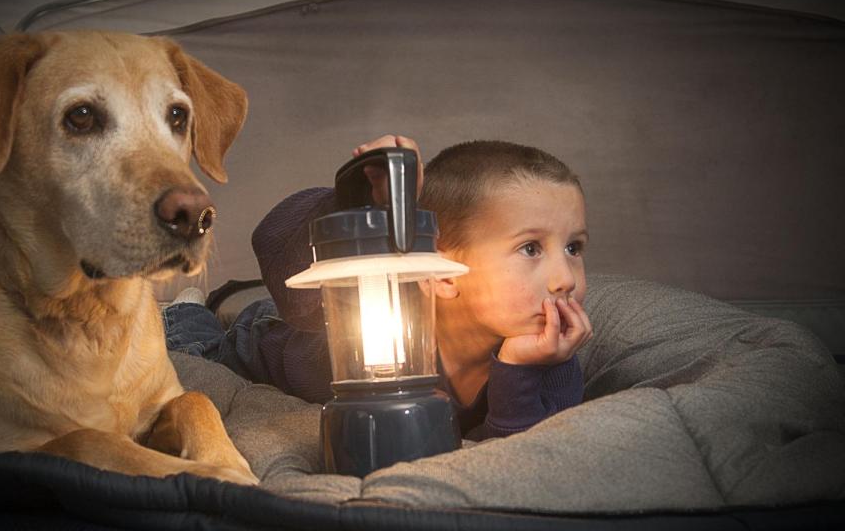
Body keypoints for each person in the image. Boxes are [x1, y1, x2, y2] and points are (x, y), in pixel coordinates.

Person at [166, 135, 591, 440]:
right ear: (442, 271)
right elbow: (278, 250)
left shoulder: (550, 356)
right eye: (531, 248)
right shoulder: (383, 304)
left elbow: (525, 456)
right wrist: (354, 202)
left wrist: (517, 369)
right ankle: (188, 310)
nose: (565, 278)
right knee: (194, 345)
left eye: (574, 247)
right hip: (272, 338)